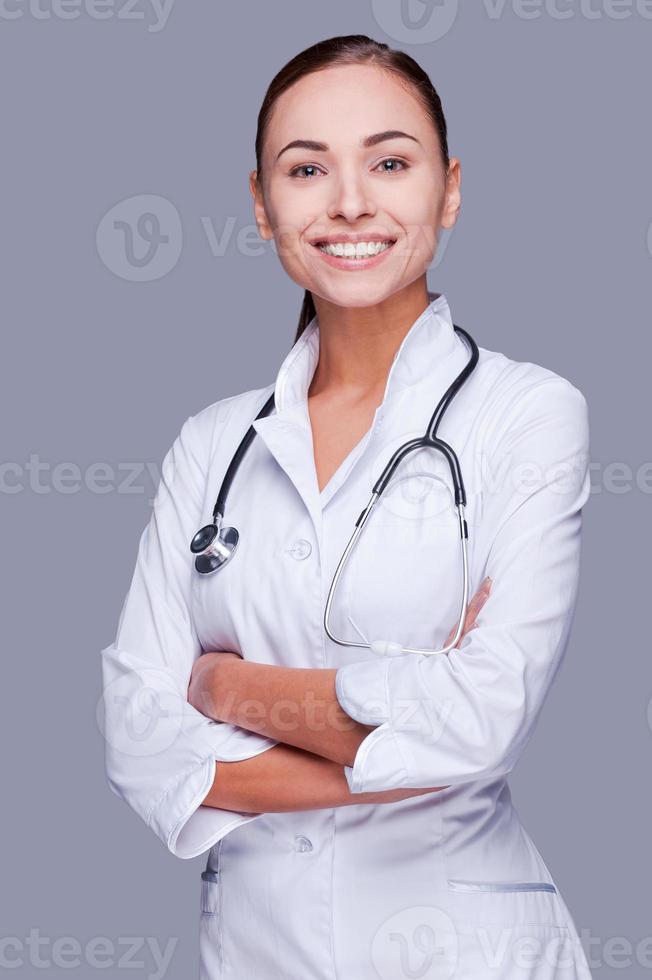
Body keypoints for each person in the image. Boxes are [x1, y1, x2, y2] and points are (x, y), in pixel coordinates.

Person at [100, 34, 594, 979]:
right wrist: (396, 744)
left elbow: (483, 724)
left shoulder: (526, 415)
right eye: (307, 168)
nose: (351, 201)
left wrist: (226, 691)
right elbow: (135, 735)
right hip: (258, 950)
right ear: (260, 204)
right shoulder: (211, 444)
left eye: (391, 162)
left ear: (448, 189)